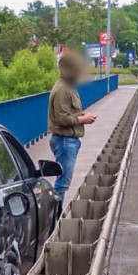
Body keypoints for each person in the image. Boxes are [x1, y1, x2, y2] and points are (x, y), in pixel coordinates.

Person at [48, 50, 96, 204]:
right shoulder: (62, 89)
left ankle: (55, 215)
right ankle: (55, 217)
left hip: (69, 140)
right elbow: (61, 118)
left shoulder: (68, 86)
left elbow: (69, 112)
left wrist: (82, 115)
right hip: (64, 141)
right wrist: (83, 119)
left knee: (63, 182)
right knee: (62, 184)